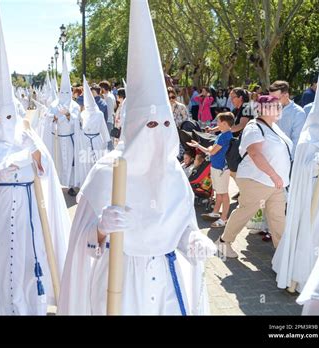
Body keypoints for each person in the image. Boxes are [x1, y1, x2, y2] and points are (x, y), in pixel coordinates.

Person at [58, 0, 215, 315]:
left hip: (169, 287)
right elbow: (84, 248)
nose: (158, 133)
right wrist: (101, 228)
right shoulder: (106, 174)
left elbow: (183, 228)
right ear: (132, 127)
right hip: (120, 286)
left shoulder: (173, 174)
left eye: (165, 124)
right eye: (150, 124)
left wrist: (195, 241)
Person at [0, 4, 71, 315]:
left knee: (25, 265)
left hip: (26, 218)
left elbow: (45, 175)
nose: (3, 122)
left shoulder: (28, 136)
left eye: (8, 115)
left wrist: (32, 159)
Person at [272, 30, 319, 294]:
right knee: (311, 234)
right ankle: (301, 273)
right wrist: (316, 161)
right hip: (312, 194)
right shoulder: (309, 133)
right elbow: (301, 163)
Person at [215, 96, 292, 258]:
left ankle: (283, 255)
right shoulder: (254, 126)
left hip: (276, 183)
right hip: (256, 180)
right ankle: (223, 242)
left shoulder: (275, 127)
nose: (279, 109)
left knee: (278, 218)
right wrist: (274, 175)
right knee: (246, 211)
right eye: (275, 107)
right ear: (264, 109)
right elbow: (255, 153)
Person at [43, 59, 85, 196]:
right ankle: (58, 183)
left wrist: (66, 115)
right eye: (63, 92)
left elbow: (75, 119)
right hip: (57, 139)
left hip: (70, 139)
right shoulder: (54, 104)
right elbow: (48, 116)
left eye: (67, 92)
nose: (65, 95)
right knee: (59, 161)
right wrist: (56, 117)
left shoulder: (75, 105)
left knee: (71, 163)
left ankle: (72, 185)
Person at [188, 112, 234, 228]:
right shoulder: (224, 133)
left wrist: (199, 146)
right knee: (219, 191)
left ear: (224, 123)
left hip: (221, 169)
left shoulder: (224, 136)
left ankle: (223, 218)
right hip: (218, 167)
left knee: (223, 193)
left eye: (218, 122)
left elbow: (212, 151)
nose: (216, 124)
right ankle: (215, 212)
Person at [80, 77, 110, 177]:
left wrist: (105, 142)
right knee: (85, 163)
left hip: (96, 140)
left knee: (97, 162)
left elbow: (103, 128)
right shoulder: (83, 113)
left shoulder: (99, 113)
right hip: (85, 141)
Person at [269, 80, 306, 155]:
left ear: (286, 95)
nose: (273, 102)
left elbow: (296, 141)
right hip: (269, 155)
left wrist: (289, 159)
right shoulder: (269, 108)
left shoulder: (298, 113)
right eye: (271, 98)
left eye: (276, 99)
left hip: (285, 158)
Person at [99, 80, 116, 150]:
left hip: (108, 121)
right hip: (109, 120)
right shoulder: (109, 96)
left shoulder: (108, 97)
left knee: (109, 141)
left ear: (103, 88)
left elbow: (109, 111)